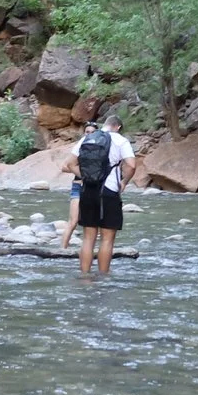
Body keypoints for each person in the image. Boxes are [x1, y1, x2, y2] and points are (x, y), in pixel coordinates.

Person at [74, 113, 139, 275]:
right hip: (109, 191)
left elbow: (68, 164)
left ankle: (85, 277)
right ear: (118, 127)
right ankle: (103, 278)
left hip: (88, 190)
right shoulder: (120, 140)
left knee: (88, 238)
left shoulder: (88, 138)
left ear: (105, 125)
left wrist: (86, 176)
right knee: (107, 239)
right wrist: (124, 182)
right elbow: (131, 165)